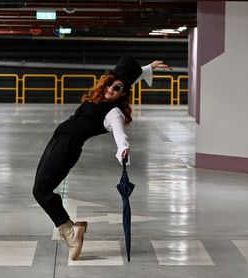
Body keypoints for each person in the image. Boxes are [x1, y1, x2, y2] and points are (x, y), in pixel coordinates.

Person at [32, 56, 171, 260]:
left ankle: (69, 231)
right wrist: (147, 68)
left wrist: (123, 148)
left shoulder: (114, 112)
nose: (110, 89)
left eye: (117, 89)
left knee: (40, 190)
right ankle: (72, 228)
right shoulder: (98, 97)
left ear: (123, 94)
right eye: (109, 84)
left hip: (67, 147)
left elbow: (119, 133)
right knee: (40, 187)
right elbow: (122, 77)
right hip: (57, 141)